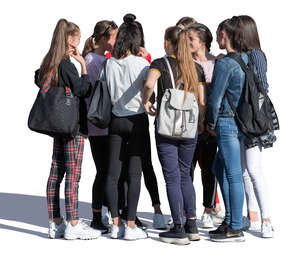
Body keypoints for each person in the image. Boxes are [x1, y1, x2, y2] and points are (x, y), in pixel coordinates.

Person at [34, 18, 100, 240]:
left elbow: (37, 78)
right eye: (78, 37)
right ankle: (73, 223)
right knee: (73, 174)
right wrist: (82, 65)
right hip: (73, 127)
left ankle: (55, 222)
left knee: (56, 172)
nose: (80, 41)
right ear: (70, 39)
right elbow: (82, 89)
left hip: (57, 126)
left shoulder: (50, 61)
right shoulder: (66, 64)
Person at [143, 26, 206, 245]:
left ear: (168, 43)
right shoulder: (196, 68)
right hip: (190, 129)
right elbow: (202, 101)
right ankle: (192, 224)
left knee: (172, 176)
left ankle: (178, 228)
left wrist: (146, 101)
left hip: (167, 128)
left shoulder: (160, 65)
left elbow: (150, 83)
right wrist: (200, 122)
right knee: (185, 175)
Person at [101, 14, 149, 240]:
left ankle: (115, 223)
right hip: (137, 119)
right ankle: (131, 225)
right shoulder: (142, 63)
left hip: (115, 119)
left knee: (112, 173)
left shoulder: (108, 63)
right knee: (134, 174)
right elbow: (150, 90)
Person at [206, 16, 247, 242]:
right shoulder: (244, 60)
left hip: (225, 121)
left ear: (224, 34)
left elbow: (215, 99)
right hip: (239, 121)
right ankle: (231, 219)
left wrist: (210, 123)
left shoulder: (224, 64)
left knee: (232, 174)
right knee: (219, 168)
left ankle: (235, 226)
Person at [238, 15, 274, 238]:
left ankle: (266, 219)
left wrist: (255, 113)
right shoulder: (241, 55)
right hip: (240, 118)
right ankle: (251, 215)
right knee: (243, 171)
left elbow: (263, 88)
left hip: (253, 120)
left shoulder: (256, 55)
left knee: (254, 169)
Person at [187, 22, 225, 228]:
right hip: (188, 124)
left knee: (209, 168)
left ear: (203, 42)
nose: (188, 42)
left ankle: (209, 209)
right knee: (187, 169)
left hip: (210, 125)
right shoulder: (184, 63)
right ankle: (186, 210)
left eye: (191, 39)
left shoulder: (216, 63)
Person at [82, 20, 118, 234]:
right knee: (103, 170)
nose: (116, 41)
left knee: (106, 170)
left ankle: (103, 210)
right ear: (104, 38)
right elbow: (98, 94)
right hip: (99, 124)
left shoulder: (100, 59)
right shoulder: (93, 61)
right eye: (113, 37)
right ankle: (97, 214)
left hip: (103, 125)